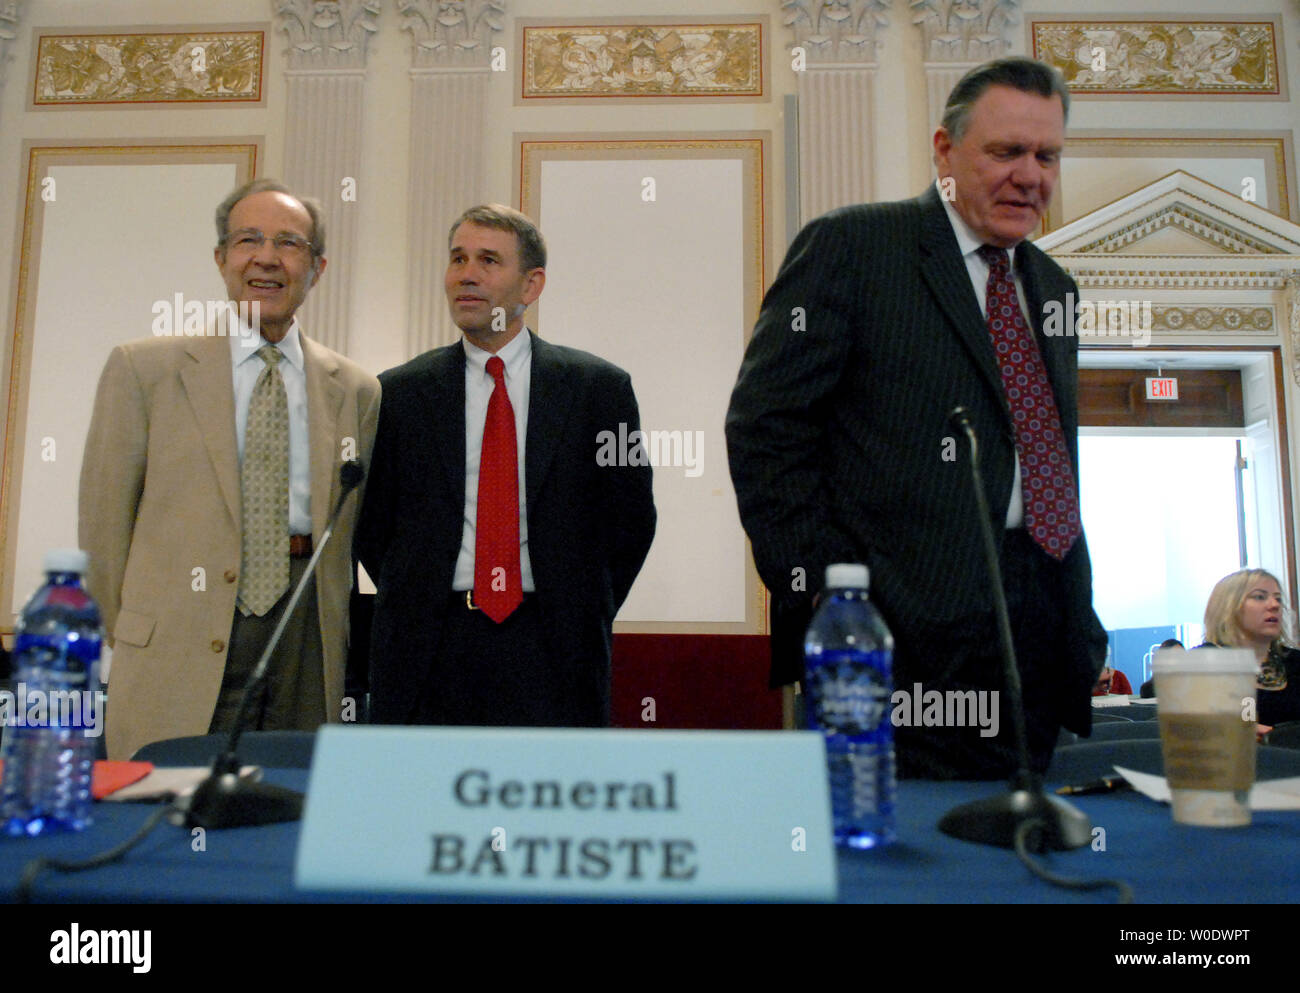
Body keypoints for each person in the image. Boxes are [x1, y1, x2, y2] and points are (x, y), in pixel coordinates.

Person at [726, 57, 1107, 779]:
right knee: (900, 872)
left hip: (1037, 632)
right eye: (1006, 152)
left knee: (1018, 868)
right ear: (944, 150)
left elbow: (1049, 459)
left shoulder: (1053, 285)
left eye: (1047, 155)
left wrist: (1079, 621)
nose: (1031, 176)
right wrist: (834, 600)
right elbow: (765, 430)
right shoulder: (855, 247)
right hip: (895, 636)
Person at [79, 179, 380, 760]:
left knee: (289, 811)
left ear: (316, 269)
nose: (267, 258)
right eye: (249, 240)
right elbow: (104, 526)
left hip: (304, 630)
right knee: (163, 809)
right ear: (221, 258)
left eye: (289, 244)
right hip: (176, 636)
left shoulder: (356, 390)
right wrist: (137, 631)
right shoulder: (145, 371)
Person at [355, 204, 655, 727]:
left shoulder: (597, 390)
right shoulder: (399, 393)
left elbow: (630, 521)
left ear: (531, 284)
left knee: (550, 802)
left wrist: (584, 605)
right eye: (458, 258)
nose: (466, 274)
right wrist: (418, 596)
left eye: (488, 260)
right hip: (430, 647)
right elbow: (373, 525)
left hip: (553, 646)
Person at [1201, 569, 1300, 727]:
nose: (1274, 605)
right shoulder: (1203, 662)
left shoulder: (1294, 661)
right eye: (1260, 597)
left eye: (1278, 599)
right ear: (1229, 607)